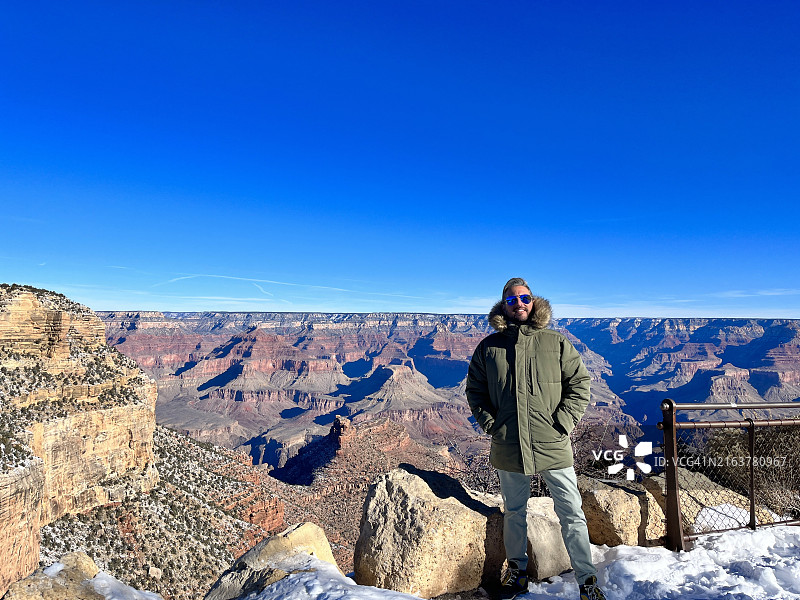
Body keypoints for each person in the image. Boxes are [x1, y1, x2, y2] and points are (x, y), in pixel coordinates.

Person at [466, 277, 606, 600]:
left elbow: (580, 384)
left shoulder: (555, 343)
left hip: (552, 444)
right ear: (504, 306)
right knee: (514, 512)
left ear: (534, 301)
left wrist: (562, 424)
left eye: (524, 298)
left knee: (571, 512)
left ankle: (587, 581)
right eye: (512, 300)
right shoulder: (488, 349)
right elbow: (475, 392)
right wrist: (493, 426)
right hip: (509, 446)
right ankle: (517, 573)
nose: (519, 305)